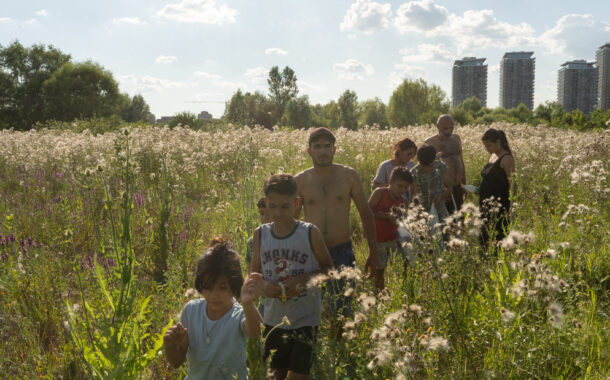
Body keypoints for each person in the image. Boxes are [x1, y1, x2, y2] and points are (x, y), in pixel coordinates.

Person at [250, 174, 333, 380]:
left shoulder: (309, 232)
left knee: (299, 376)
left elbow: (329, 270)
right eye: (273, 206)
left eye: (285, 206)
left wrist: (304, 279)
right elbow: (253, 276)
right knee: (274, 374)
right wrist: (265, 285)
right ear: (266, 203)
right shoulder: (260, 234)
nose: (278, 213)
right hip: (272, 320)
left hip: (305, 319)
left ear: (296, 203)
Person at [294, 127, 378, 320]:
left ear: (334, 149)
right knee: (311, 313)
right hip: (311, 253)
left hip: (342, 252)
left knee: (341, 311)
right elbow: (294, 222)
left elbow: (366, 213)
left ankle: (340, 346)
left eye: (327, 146)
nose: (322, 151)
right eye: (317, 146)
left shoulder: (348, 176)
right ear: (309, 151)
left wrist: (374, 252)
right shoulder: (300, 180)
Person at [163, 239, 263, 380]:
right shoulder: (191, 311)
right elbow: (176, 362)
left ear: (235, 285)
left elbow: (258, 333)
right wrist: (170, 346)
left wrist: (247, 303)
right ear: (200, 284)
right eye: (208, 287)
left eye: (223, 287)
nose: (214, 295)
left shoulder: (238, 315)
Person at [368, 166, 413, 290]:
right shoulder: (380, 193)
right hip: (379, 240)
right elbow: (367, 212)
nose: (402, 190)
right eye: (400, 186)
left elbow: (405, 219)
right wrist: (385, 217)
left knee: (404, 263)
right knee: (379, 270)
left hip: (395, 239)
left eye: (405, 188)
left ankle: (404, 290)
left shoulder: (403, 200)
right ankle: (379, 294)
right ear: (391, 182)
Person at [478, 128, 515, 246]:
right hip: (485, 204)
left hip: (499, 206)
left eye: (489, 145)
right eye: (485, 146)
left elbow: (513, 185)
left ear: (498, 142)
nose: (486, 149)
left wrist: (512, 207)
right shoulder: (493, 156)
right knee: (484, 236)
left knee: (499, 236)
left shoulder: (506, 159)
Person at [424, 115, 466, 214]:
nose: (449, 131)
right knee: (446, 223)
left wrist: (464, 184)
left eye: (451, 127)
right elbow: (426, 169)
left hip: (458, 187)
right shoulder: (429, 143)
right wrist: (442, 190)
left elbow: (461, 160)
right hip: (443, 191)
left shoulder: (456, 138)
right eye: (445, 128)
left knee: (460, 220)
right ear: (437, 126)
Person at [410, 145, 451, 223]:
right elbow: (412, 197)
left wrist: (441, 195)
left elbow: (450, 189)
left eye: (430, 165)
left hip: (440, 212)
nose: (427, 168)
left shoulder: (440, 166)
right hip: (422, 213)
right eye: (423, 165)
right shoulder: (414, 172)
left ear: (434, 159)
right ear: (418, 160)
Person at [245, 197, 271, 267]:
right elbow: (251, 272)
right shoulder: (252, 242)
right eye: (262, 213)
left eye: (270, 213)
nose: (265, 217)